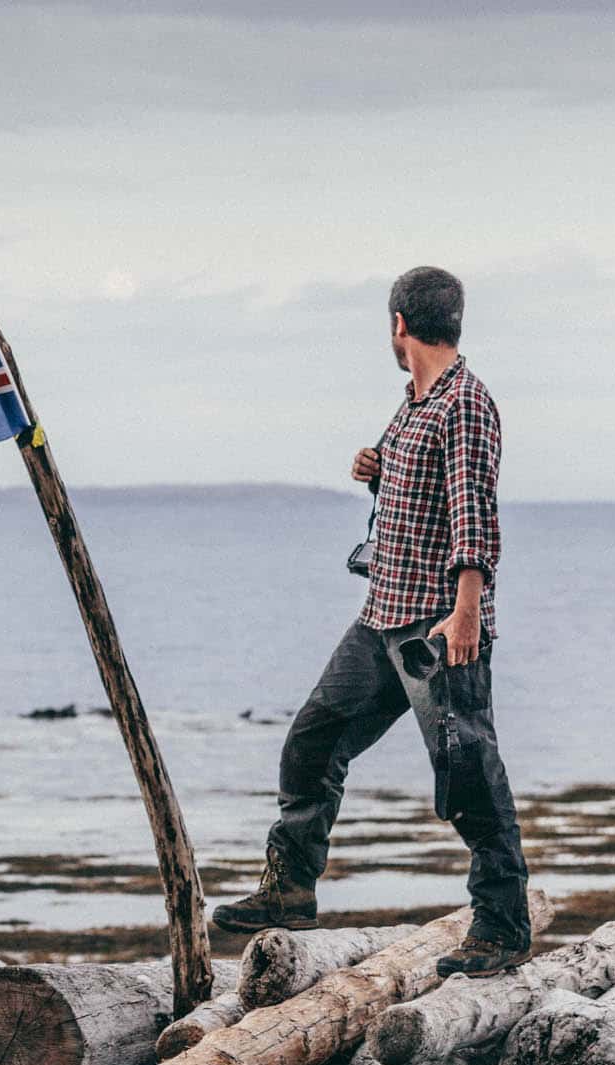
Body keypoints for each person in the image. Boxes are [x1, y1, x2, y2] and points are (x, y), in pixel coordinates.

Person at [211, 266, 531, 977]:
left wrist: (468, 611)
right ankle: (290, 887)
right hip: (381, 615)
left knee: (469, 774)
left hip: (438, 628)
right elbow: (426, 487)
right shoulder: (416, 402)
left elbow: (474, 512)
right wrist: (379, 466)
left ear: (399, 324)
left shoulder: (465, 404)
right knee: (312, 740)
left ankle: (503, 925)